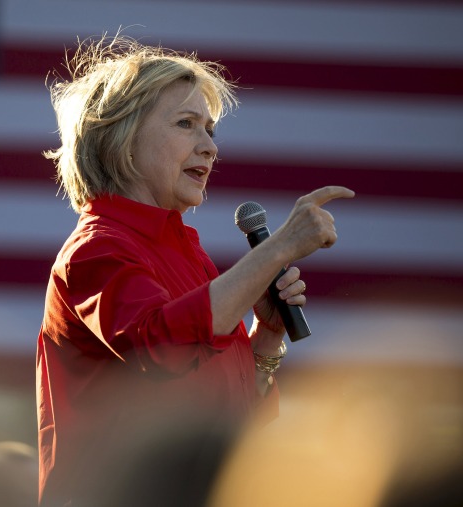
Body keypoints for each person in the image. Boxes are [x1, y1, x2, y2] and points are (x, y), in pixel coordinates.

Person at [36, 35, 354, 507]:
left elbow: (230, 431)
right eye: (187, 124)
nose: (209, 148)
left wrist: (264, 339)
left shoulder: (192, 257)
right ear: (119, 138)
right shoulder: (96, 249)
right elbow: (162, 347)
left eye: (210, 131)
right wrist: (277, 248)